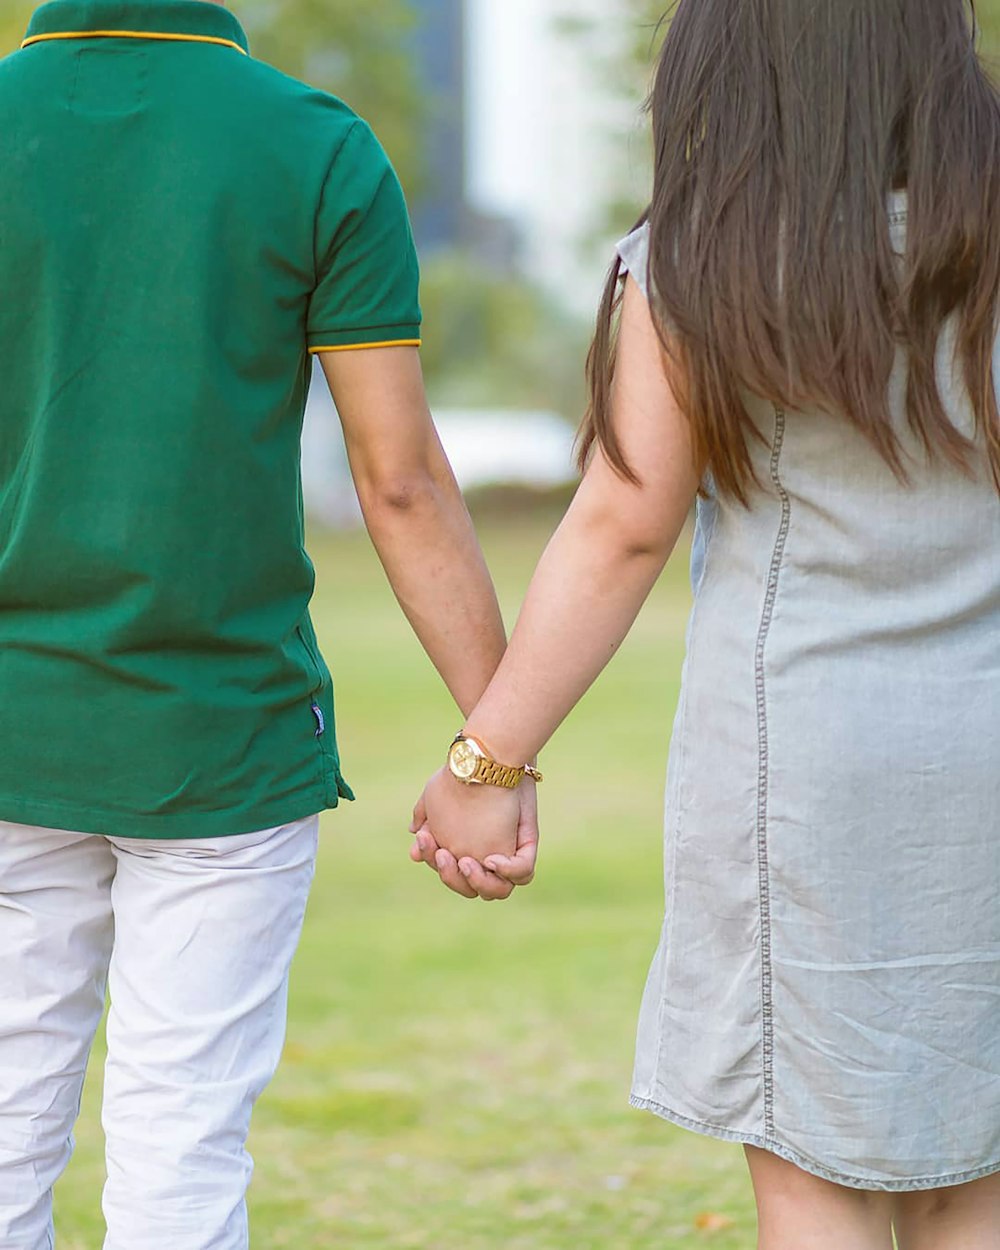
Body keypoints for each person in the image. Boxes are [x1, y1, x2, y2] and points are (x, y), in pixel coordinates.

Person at [411, 1, 1000, 1245]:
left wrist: (487, 760)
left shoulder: (696, 263)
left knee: (810, 1161)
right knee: (981, 1170)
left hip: (803, 773)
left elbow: (623, 524)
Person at [0, 2, 529, 1247]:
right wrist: (500, 741)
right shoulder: (314, 144)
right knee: (182, 1143)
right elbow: (397, 478)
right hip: (223, 734)